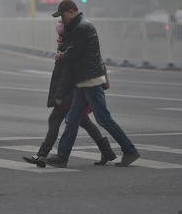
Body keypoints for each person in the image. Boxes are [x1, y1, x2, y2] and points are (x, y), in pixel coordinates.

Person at [39, 0, 140, 168]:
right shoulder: (78, 26)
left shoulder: (83, 27)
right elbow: (72, 47)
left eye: (63, 16)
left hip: (90, 80)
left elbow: (73, 53)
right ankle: (62, 157)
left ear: (71, 11)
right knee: (72, 120)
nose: (63, 20)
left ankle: (130, 150)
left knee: (104, 119)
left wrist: (61, 56)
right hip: (82, 81)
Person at [23, 22, 116, 167]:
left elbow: (65, 76)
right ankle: (107, 151)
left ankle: (41, 155)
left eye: (60, 36)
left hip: (70, 94)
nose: (57, 39)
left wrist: (59, 96)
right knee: (85, 122)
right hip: (74, 93)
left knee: (55, 120)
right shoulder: (69, 46)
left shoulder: (68, 49)